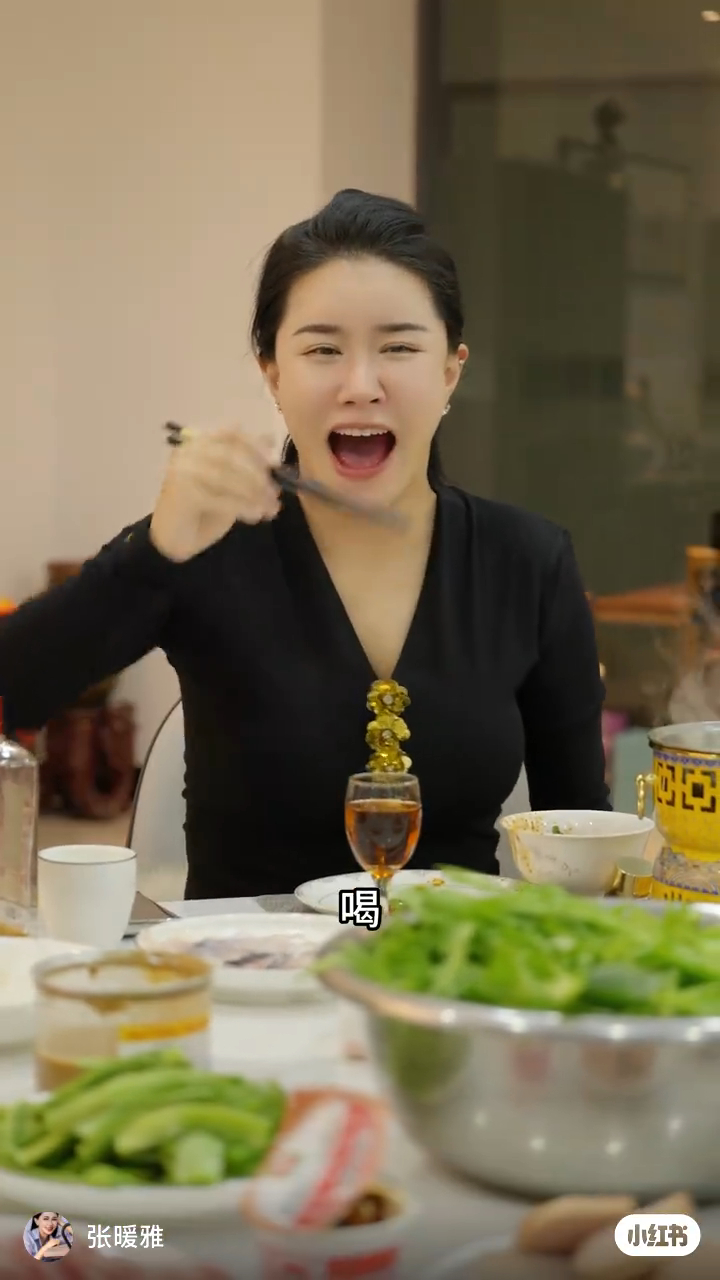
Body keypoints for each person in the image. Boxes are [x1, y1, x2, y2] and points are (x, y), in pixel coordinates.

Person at [0, 189, 609, 899]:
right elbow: (14, 691)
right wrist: (155, 552)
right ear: (273, 375)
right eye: (323, 350)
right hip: (245, 963)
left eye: (399, 347)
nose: (361, 385)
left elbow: (583, 835)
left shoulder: (529, 561)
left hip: (449, 958)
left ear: (450, 370)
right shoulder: (206, 547)